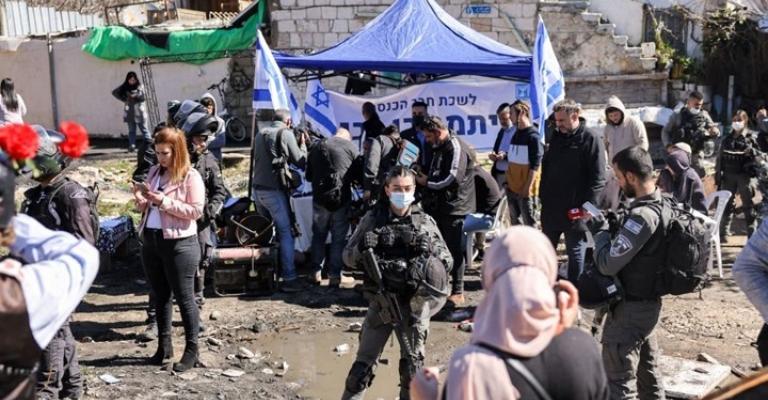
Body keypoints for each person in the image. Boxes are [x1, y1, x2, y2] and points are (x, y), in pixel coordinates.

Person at [410, 227, 610, 400]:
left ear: (489, 277)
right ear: (549, 272)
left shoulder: (468, 367)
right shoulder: (583, 349)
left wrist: (425, 395)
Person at [341, 166, 452, 400]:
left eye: (407, 188)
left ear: (414, 189)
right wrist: (362, 248)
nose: (402, 193)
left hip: (415, 306)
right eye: (397, 188)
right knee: (360, 372)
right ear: (387, 190)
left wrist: (429, 252)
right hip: (382, 303)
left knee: (411, 373)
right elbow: (347, 257)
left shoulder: (424, 222)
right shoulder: (373, 219)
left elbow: (447, 262)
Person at [19, 127, 96, 400]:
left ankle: (49, 391)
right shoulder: (39, 195)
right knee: (62, 333)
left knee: (50, 341)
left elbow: (84, 244)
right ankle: (73, 390)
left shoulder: (70, 195)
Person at [591, 146, 667, 400]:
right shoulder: (663, 204)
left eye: (619, 177)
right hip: (646, 306)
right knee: (648, 375)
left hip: (630, 310)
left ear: (631, 177)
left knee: (618, 382)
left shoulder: (643, 217)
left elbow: (607, 264)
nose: (617, 182)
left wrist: (600, 232)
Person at [134, 127, 205, 372]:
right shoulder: (154, 171)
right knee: (160, 294)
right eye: (157, 153)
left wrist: (163, 201)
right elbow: (147, 205)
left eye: (165, 153)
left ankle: (192, 351)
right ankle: (164, 348)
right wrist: (142, 200)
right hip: (152, 239)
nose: (160, 158)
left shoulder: (190, 176)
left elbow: (195, 211)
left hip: (180, 243)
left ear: (177, 151)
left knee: (185, 298)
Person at [540, 99, 606, 283]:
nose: (558, 124)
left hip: (576, 209)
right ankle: (545, 289)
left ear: (575, 116)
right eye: (556, 121)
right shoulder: (555, 137)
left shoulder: (591, 139)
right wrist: (542, 196)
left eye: (562, 120)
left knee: (575, 252)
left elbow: (598, 178)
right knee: (545, 251)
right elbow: (547, 169)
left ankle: (575, 292)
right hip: (552, 208)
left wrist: (589, 206)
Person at [416, 115, 474, 307]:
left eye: (428, 136)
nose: (427, 140)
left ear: (438, 132)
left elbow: (452, 178)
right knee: (437, 248)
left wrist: (427, 182)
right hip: (439, 206)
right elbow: (436, 171)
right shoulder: (439, 147)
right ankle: (439, 286)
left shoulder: (455, 147)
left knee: (455, 250)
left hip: (455, 207)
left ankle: (458, 291)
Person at [251, 109, 308, 293]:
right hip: (273, 192)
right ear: (288, 121)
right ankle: (289, 278)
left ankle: (266, 274)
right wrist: (303, 145)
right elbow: (300, 161)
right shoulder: (285, 133)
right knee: (285, 233)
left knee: (266, 234)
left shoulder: (260, 134)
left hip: (257, 190)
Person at [181, 111, 227, 322]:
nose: (202, 143)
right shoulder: (177, 160)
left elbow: (219, 191)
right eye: (199, 139)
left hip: (201, 222)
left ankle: (196, 307)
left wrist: (211, 211)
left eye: (205, 139)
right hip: (179, 220)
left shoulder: (209, 160)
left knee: (200, 263)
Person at [305, 128, 359, 288]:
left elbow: (308, 176)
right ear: (347, 138)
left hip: (319, 199)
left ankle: (315, 273)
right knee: (338, 238)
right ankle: (335, 275)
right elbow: (357, 176)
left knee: (319, 235)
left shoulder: (316, 147)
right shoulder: (350, 147)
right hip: (341, 200)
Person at [716, 110, 760, 239]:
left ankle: (752, 234)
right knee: (727, 203)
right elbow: (720, 157)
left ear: (745, 121)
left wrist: (752, 152)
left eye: (739, 120)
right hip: (728, 175)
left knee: (748, 205)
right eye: (734, 120)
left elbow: (759, 156)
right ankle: (724, 233)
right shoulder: (727, 138)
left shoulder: (751, 138)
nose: (736, 122)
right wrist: (718, 174)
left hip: (744, 176)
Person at [602, 96, 649, 211]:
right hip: (615, 168)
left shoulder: (633, 122)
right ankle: (616, 213)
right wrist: (607, 161)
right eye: (611, 116)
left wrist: (636, 160)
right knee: (615, 194)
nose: (614, 118)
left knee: (632, 192)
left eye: (616, 115)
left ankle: (635, 211)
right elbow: (605, 145)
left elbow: (643, 142)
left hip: (631, 166)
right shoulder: (608, 127)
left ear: (621, 112)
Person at [662, 91, 720, 176]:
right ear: (688, 102)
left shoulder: (704, 115)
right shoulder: (677, 115)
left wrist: (715, 131)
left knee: (697, 176)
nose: (698, 107)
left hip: (696, 154)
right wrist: (668, 146)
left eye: (700, 105)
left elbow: (713, 128)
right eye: (696, 104)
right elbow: (665, 131)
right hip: (680, 154)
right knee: (678, 176)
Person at [505, 100, 543, 227]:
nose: (509, 116)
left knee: (530, 226)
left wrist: (527, 188)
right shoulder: (516, 134)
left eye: (511, 113)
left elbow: (535, 166)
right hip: (512, 189)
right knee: (516, 226)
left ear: (521, 113)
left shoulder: (533, 137)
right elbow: (516, 158)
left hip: (526, 192)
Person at [462, 159, 502, 262]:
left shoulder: (475, 176)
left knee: (458, 223)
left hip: (487, 218)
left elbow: (468, 200)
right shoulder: (480, 172)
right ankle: (479, 248)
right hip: (492, 214)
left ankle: (463, 253)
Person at [658, 149, 707, 213]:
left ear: (677, 165)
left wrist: (668, 182)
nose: (667, 167)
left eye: (670, 165)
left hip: (697, 212)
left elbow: (678, 198)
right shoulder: (681, 173)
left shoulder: (688, 175)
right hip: (687, 209)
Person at [112, 72, 150, 153]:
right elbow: (115, 92)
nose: (132, 81)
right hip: (130, 112)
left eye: (133, 80)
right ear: (127, 80)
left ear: (136, 79)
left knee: (144, 129)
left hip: (140, 111)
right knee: (131, 130)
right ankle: (132, 145)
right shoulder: (125, 87)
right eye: (130, 80)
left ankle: (149, 145)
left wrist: (136, 96)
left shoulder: (140, 87)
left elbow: (144, 97)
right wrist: (124, 99)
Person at [363, 124, 401, 204]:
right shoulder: (403, 144)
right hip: (401, 187)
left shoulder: (381, 139)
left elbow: (372, 163)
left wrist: (368, 188)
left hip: (383, 187)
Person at [488, 103, 514, 189]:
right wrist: (493, 155)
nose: (502, 122)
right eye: (500, 119)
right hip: (499, 173)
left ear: (511, 115)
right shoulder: (501, 131)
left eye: (505, 119)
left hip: (513, 174)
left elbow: (519, 154)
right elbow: (496, 148)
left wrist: (505, 156)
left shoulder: (518, 131)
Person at [400, 101, 432, 172]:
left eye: (420, 114)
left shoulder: (433, 134)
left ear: (426, 114)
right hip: (411, 172)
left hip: (431, 173)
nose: (417, 116)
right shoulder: (405, 135)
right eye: (414, 114)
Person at [199, 93, 226, 163]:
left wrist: (204, 143)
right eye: (204, 107)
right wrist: (212, 139)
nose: (207, 110)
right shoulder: (197, 122)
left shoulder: (220, 122)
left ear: (213, 107)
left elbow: (221, 141)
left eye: (209, 107)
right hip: (200, 159)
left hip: (215, 158)